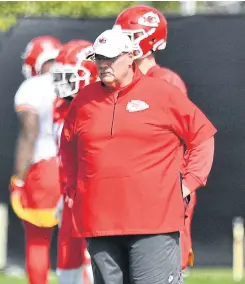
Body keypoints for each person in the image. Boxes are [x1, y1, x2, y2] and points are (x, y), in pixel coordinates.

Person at [60, 29, 217, 284]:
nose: (103, 64)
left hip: (154, 221)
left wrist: (189, 182)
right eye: (98, 58)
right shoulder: (83, 100)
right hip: (99, 221)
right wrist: (73, 188)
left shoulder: (163, 93)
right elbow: (67, 147)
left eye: (110, 58)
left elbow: (202, 136)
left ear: (130, 55)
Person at [113, 4, 196, 269]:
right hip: (128, 190)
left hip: (160, 189)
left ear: (148, 39)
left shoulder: (165, 81)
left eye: (128, 36)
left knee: (162, 268)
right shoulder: (119, 81)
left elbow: (192, 139)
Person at [10, 36, 62, 284]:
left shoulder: (32, 87)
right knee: (79, 241)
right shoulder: (76, 80)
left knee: (38, 241)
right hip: (75, 166)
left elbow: (29, 134)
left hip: (44, 167)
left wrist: (19, 179)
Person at [52, 40, 98, 284]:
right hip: (69, 192)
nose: (62, 83)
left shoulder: (98, 105)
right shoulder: (60, 106)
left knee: (95, 259)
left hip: (94, 193)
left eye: (69, 76)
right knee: (66, 261)